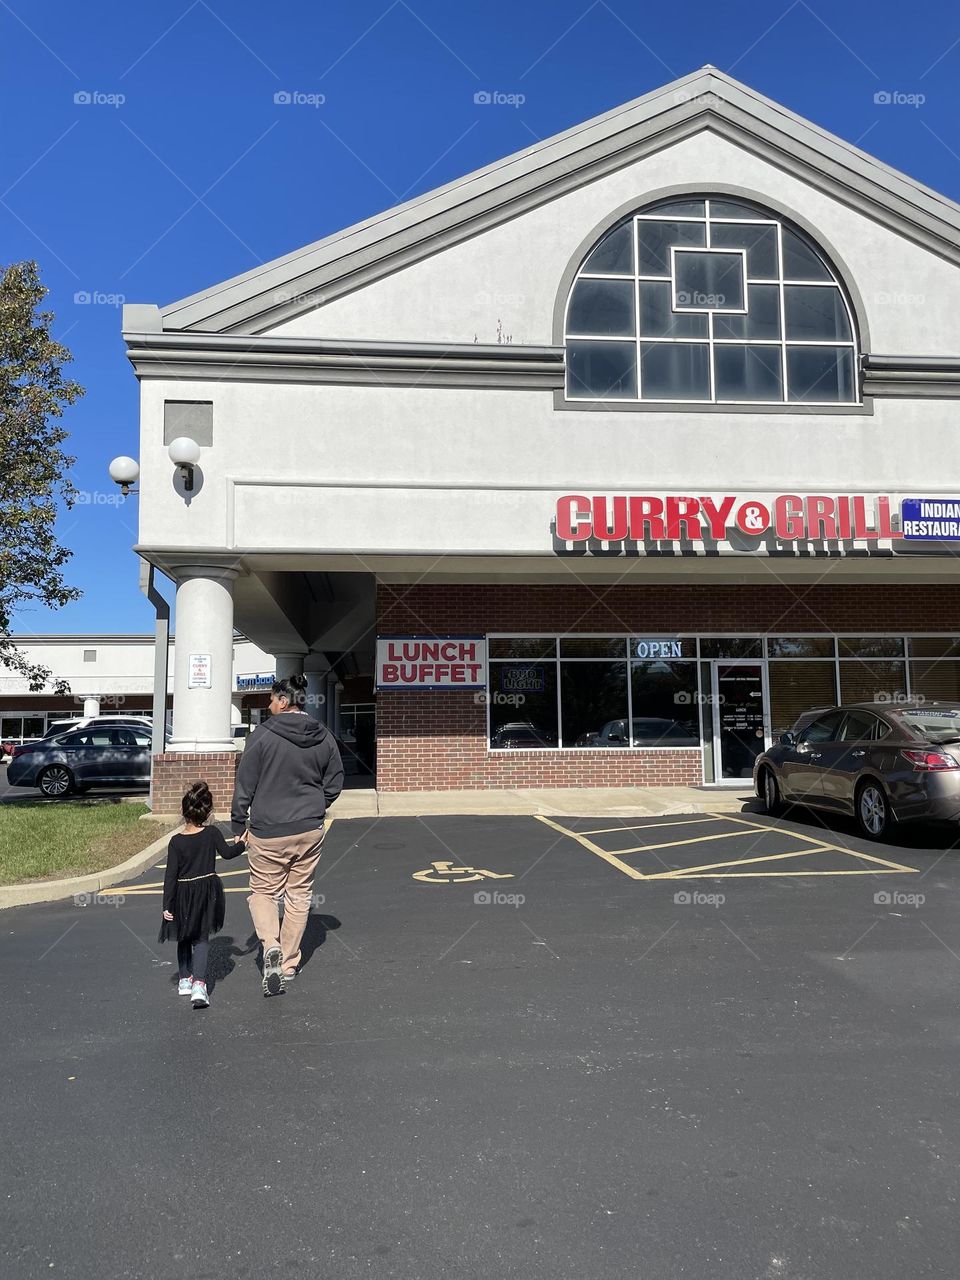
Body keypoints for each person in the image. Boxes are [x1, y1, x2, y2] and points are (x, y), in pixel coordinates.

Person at [230, 673, 344, 996]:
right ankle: (290, 962)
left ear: (283, 701)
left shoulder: (262, 736)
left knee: (264, 892)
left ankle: (270, 947)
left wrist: (239, 822)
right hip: (309, 829)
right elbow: (336, 778)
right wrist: (317, 805)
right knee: (299, 894)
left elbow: (245, 784)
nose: (268, 705)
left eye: (271, 700)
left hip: (269, 830)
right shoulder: (322, 735)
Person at [160, 781, 245, 1008]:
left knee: (183, 935)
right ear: (207, 812)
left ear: (183, 811)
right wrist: (242, 844)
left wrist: (167, 905)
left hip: (181, 893)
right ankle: (199, 985)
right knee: (201, 938)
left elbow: (170, 876)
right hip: (206, 890)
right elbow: (227, 854)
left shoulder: (176, 841)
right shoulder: (212, 834)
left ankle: (184, 979)